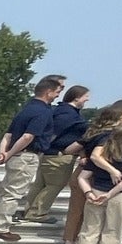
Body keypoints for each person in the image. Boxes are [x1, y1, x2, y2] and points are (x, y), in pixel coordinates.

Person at [0, 74, 65, 242]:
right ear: (48, 92)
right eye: (57, 91)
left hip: (16, 155)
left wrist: (4, 152)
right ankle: (0, 227)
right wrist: (10, 153)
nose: (58, 95)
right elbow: (28, 136)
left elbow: (8, 134)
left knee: (6, 191)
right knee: (12, 193)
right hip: (26, 155)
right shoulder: (43, 112)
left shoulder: (26, 109)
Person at [58, 99, 122, 244]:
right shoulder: (110, 135)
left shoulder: (92, 131)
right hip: (93, 176)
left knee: (75, 211)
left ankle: (68, 243)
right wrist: (112, 170)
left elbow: (69, 149)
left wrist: (82, 155)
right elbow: (96, 156)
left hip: (79, 174)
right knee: (90, 214)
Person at [23, 82, 90, 226]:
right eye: (85, 96)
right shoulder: (68, 115)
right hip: (58, 155)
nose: (87, 99)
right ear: (77, 97)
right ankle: (37, 212)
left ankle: (28, 210)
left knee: (40, 184)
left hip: (49, 154)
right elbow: (54, 133)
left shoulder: (60, 110)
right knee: (54, 185)